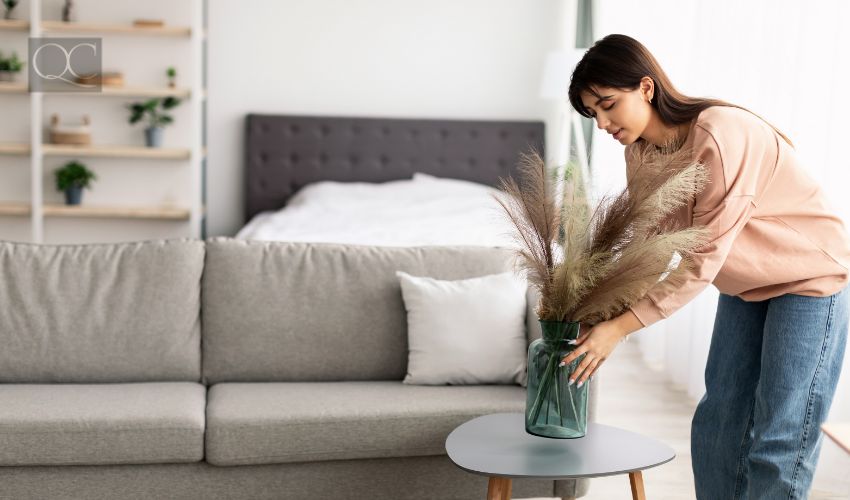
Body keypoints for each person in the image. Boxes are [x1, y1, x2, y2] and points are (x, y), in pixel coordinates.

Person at [556, 33, 850, 499]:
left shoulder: (720, 132)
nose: (603, 122)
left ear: (646, 88)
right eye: (593, 113)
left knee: (781, 435)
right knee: (717, 427)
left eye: (608, 104)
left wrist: (622, 328)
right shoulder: (640, 153)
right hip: (747, 285)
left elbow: (702, 255)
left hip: (809, 278)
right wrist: (605, 313)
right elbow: (651, 245)